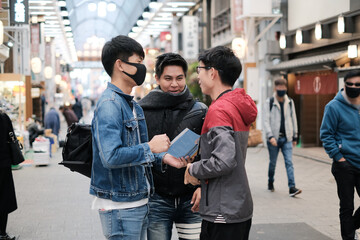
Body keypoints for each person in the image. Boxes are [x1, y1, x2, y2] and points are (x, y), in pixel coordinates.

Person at [90, 35, 186, 240]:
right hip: (120, 206)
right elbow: (110, 156)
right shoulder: (110, 104)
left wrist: (162, 157)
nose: (143, 68)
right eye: (138, 62)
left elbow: (136, 151)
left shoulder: (132, 105)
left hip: (137, 201)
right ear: (120, 65)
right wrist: (150, 148)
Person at [184, 46, 257, 240]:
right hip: (237, 205)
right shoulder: (235, 105)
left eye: (199, 70)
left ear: (212, 72)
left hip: (223, 211)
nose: (197, 76)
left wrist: (193, 169)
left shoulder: (219, 110)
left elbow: (224, 160)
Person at [139, 53, 207, 240]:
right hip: (157, 200)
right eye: (168, 78)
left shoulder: (199, 110)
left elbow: (208, 154)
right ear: (157, 79)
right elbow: (139, 151)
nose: (174, 84)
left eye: (179, 78)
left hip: (191, 198)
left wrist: (203, 187)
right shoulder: (143, 110)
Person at [320, 70, 360, 240]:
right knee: (347, 206)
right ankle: (348, 237)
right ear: (344, 85)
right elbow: (326, 134)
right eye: (349, 84)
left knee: (348, 213)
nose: (353, 87)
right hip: (345, 164)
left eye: (357, 85)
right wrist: (339, 157)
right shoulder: (333, 106)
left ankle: (349, 227)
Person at [263, 78, 301, 197]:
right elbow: (265, 121)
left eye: (284, 89)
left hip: (287, 138)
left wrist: (295, 136)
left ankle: (292, 187)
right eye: (279, 89)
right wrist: (270, 136)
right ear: (275, 89)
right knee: (273, 163)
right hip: (274, 139)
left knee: (289, 162)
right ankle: (270, 181)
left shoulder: (289, 101)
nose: (282, 91)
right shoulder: (269, 102)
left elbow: (293, 118)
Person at [0, 110, 18, 240]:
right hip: (3, 163)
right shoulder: (3, 117)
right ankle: (2, 232)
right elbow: (11, 136)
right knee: (4, 198)